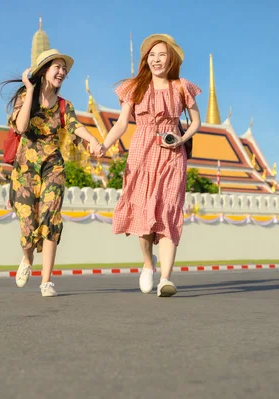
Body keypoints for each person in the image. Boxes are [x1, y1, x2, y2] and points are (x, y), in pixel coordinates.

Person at [97, 34, 202, 297]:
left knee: (167, 212)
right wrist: (104, 144)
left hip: (172, 155)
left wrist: (182, 138)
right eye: (152, 55)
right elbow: (121, 124)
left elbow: (197, 122)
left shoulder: (181, 87)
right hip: (141, 152)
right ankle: (148, 263)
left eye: (162, 55)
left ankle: (166, 278)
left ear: (171, 60)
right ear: (146, 60)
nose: (156, 60)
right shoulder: (135, 87)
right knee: (143, 213)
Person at [0, 49, 102, 297]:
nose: (62, 72)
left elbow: (76, 126)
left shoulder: (64, 106)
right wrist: (30, 89)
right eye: (57, 67)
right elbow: (22, 127)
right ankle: (27, 259)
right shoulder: (25, 98)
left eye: (64, 69)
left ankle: (46, 281)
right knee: (27, 224)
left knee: (50, 219)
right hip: (25, 169)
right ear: (44, 70)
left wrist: (93, 141)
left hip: (53, 166)